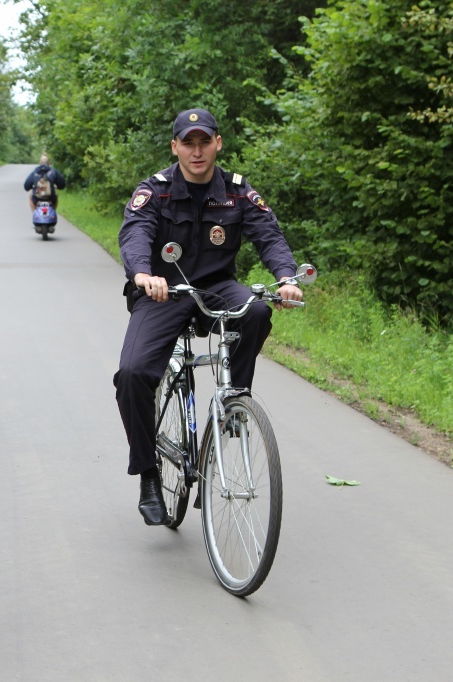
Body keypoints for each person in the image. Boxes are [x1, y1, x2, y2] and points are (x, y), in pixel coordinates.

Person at [114, 108, 302, 526]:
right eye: (188, 142)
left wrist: (286, 277)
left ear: (218, 143)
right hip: (163, 291)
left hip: (217, 286)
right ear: (175, 146)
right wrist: (143, 273)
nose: (196, 151)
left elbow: (267, 234)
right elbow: (136, 233)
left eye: (204, 141)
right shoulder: (156, 190)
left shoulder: (236, 191)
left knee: (256, 310)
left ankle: (235, 397)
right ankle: (147, 473)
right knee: (132, 374)